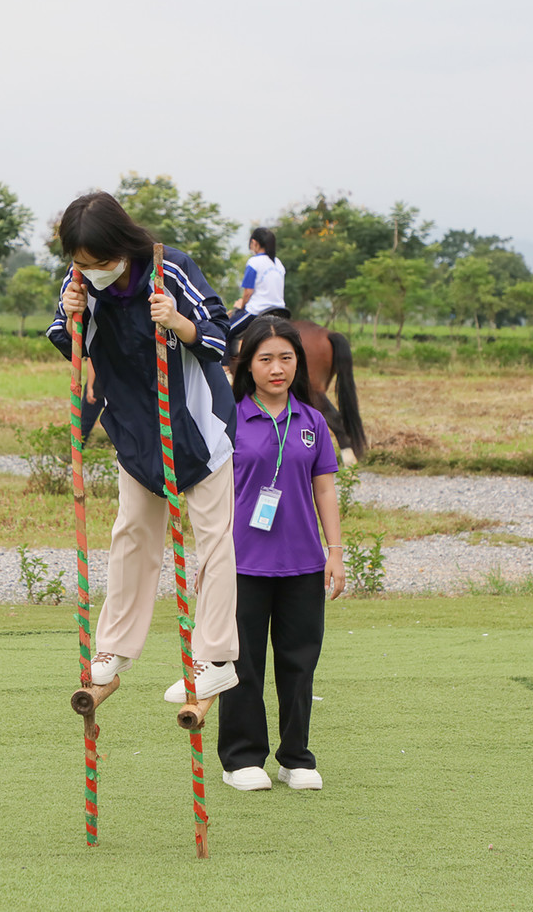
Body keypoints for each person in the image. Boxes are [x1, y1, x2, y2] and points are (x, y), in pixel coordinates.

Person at [46, 191, 239, 702]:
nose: (92, 272)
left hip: (196, 423)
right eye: (81, 264)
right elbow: (69, 345)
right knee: (131, 533)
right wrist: (73, 316)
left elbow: (223, 336)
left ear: (124, 246)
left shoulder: (169, 269)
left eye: (101, 263)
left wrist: (177, 321)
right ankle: (113, 648)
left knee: (214, 537)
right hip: (134, 427)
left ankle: (215, 656)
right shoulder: (81, 279)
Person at [216, 316, 344, 792]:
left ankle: (295, 758)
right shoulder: (227, 420)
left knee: (298, 664)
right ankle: (241, 760)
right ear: (247, 365)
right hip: (241, 563)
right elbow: (209, 493)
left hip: (303, 564)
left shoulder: (312, 421)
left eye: (286, 358)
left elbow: (325, 490)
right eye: (266, 358)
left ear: (299, 364)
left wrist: (335, 552)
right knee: (242, 664)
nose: (277, 368)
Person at [226, 227, 289, 344]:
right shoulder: (278, 263)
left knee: (224, 332)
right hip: (280, 310)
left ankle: (224, 363)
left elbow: (248, 292)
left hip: (257, 311)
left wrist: (241, 306)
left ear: (254, 243)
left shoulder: (254, 262)